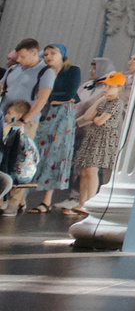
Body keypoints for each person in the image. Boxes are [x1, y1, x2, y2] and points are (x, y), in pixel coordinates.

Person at [27, 45, 79, 214]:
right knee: (35, 150)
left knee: (56, 153)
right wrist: (50, 98)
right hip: (45, 113)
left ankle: (46, 200)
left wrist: (48, 97)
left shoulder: (72, 70)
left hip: (63, 114)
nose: (48, 56)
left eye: (53, 53)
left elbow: (70, 94)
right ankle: (22, 197)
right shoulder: (44, 73)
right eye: (46, 54)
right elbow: (36, 94)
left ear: (62, 55)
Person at [71, 68, 128, 216]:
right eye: (105, 86)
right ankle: (81, 202)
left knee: (92, 170)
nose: (106, 89)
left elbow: (99, 121)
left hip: (104, 139)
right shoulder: (103, 102)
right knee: (85, 170)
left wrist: (95, 118)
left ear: (118, 88)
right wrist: (99, 101)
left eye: (110, 86)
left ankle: (90, 202)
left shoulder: (117, 104)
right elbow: (89, 115)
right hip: (93, 136)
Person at [0, 100, 34, 214]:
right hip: (8, 161)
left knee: (11, 182)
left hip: (13, 163)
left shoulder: (17, 131)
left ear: (18, 116)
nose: (6, 115)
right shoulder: (8, 127)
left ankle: (13, 204)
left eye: (9, 113)